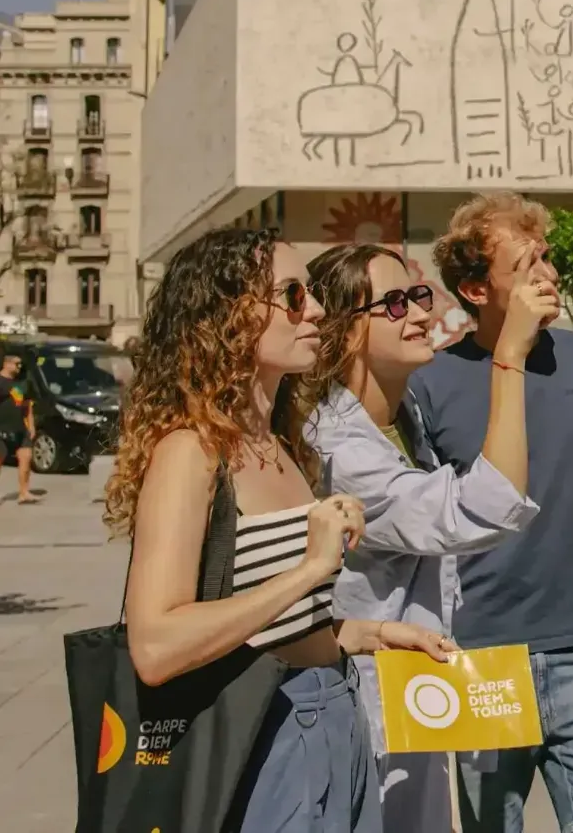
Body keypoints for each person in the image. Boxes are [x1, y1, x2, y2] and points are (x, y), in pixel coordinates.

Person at [102, 228, 454, 832]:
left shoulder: (284, 445)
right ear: (231, 315)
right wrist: (311, 571)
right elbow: (156, 644)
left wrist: (372, 634)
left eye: (312, 293)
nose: (315, 309)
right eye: (291, 296)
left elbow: (279, 627)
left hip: (335, 713)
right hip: (265, 735)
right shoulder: (192, 452)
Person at [276, 242, 551, 831]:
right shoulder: (339, 450)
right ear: (347, 331)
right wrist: (509, 357)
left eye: (419, 295)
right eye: (395, 303)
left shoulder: (403, 422)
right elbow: (479, 510)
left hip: (412, 697)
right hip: (362, 712)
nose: (422, 313)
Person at [409, 193, 573, 833]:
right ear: (475, 288)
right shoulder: (429, 383)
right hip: (476, 658)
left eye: (546, 258)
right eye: (526, 265)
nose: (548, 274)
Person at [0, 355, 38, 503]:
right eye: (16, 364)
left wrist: (31, 426)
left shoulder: (20, 384)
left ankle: (24, 493)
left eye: (20, 364)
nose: (19, 366)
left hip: (20, 428)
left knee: (26, 458)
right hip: (1, 428)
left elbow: (28, 406)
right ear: (6, 364)